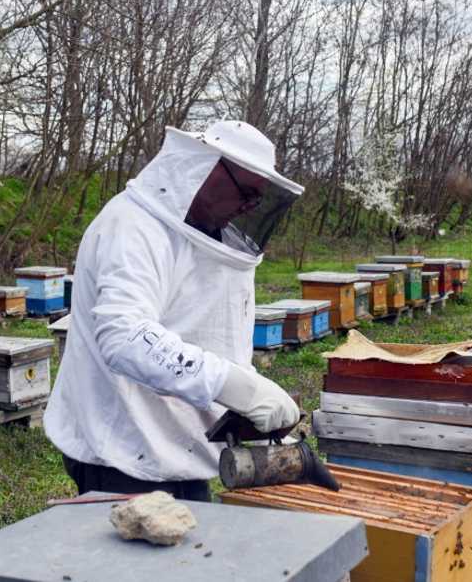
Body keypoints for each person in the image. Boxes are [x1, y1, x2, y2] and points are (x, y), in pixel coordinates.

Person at [44, 121, 304, 501]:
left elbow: (211, 338)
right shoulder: (132, 227)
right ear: (204, 167)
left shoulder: (211, 236)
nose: (248, 207)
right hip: (120, 451)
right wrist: (236, 387)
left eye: (257, 201)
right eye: (246, 193)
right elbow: (125, 336)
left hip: (179, 451)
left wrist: (247, 405)